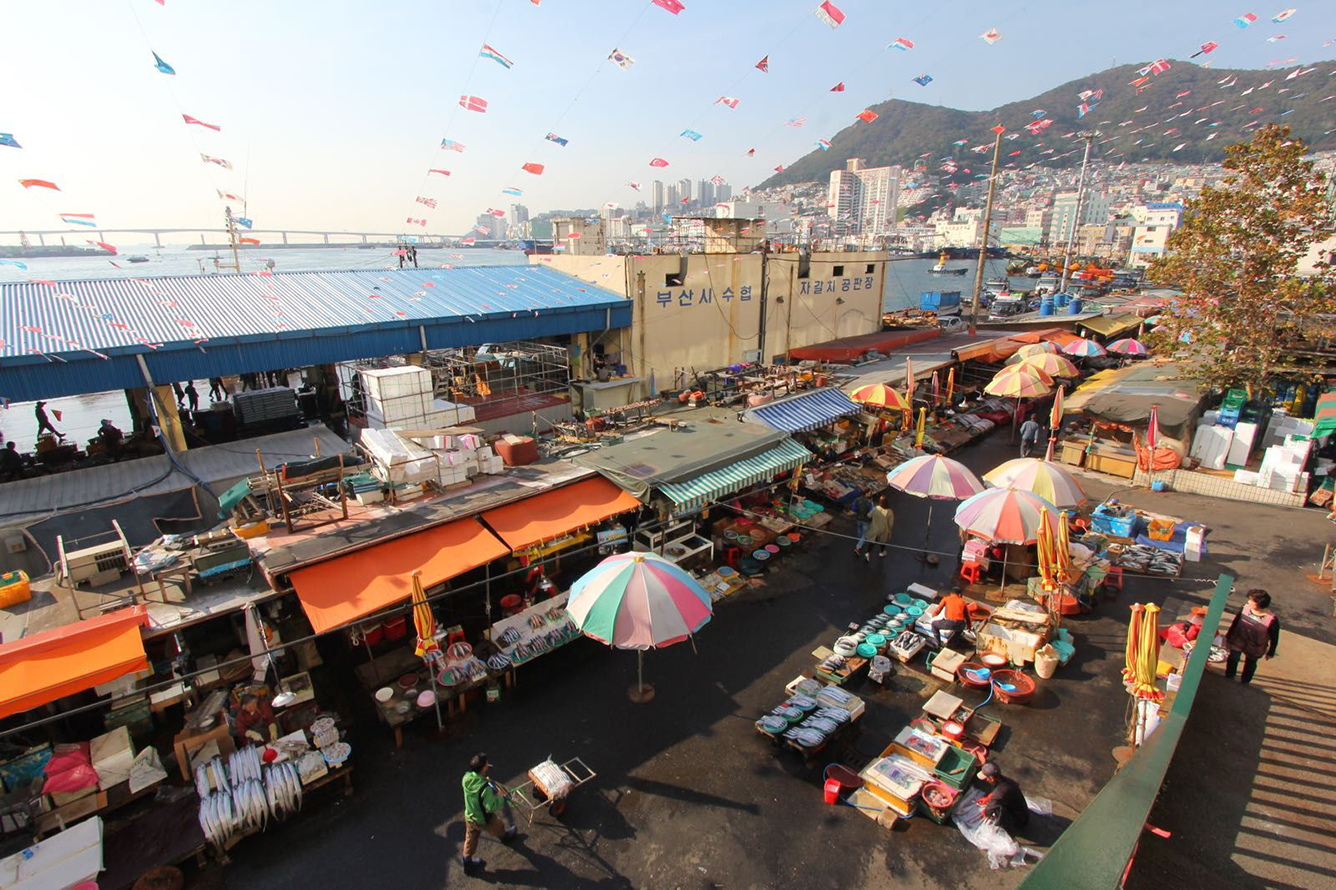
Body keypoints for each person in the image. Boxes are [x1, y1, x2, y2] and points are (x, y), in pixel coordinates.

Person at [461, 753, 516, 871]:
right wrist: (500, 797)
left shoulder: (466, 778)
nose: (487, 765)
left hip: (470, 816)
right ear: (482, 769)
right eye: (486, 764)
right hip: (483, 819)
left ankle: (467, 863)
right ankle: (504, 836)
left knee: (470, 839)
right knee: (498, 825)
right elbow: (491, 807)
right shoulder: (485, 788)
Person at [1224, 588, 1280, 684]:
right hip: (1238, 640)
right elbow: (1235, 622)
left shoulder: (1272, 620)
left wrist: (1271, 651)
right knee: (1233, 657)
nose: (1248, 602)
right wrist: (1228, 636)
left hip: (1255, 647)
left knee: (1250, 664)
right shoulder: (1245, 608)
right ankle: (1229, 675)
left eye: (1251, 600)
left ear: (1259, 603)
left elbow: (1274, 637)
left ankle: (1245, 681)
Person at [977, 762, 1030, 835]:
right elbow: (996, 793)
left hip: (1018, 820)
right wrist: (987, 798)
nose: (986, 780)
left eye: (986, 778)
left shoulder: (1000, 792)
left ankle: (1011, 829)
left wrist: (985, 813)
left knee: (998, 811)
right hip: (1021, 810)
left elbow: (990, 808)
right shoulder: (1004, 781)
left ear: (991, 778)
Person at [866, 494, 894, 558]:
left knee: (872, 541)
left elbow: (869, 516)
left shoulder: (876, 508)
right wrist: (889, 530)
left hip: (875, 528)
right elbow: (891, 523)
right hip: (884, 530)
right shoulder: (890, 511)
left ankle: (868, 553)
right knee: (883, 542)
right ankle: (881, 552)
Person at [851, 492, 875, 561]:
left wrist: (858, 511)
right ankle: (858, 547)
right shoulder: (869, 502)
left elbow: (853, 509)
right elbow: (871, 512)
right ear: (866, 493)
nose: (870, 493)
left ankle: (860, 541)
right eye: (869, 492)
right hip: (866, 521)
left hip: (858, 519)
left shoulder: (857, 500)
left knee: (859, 530)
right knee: (865, 534)